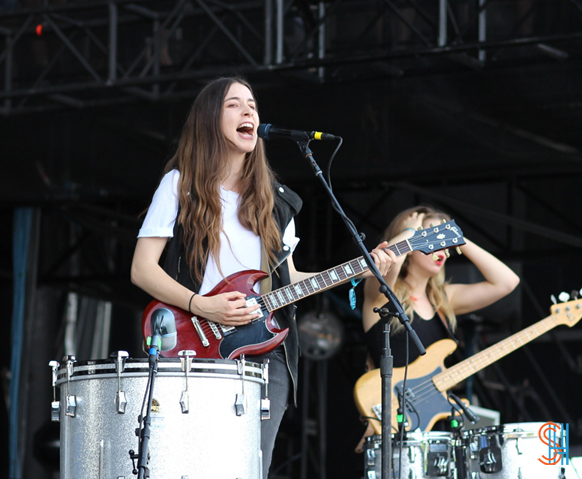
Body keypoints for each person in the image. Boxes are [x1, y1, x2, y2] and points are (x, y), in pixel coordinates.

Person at [130, 76, 396, 478]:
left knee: (249, 468)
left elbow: (288, 280)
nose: (249, 111)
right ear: (208, 120)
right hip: (193, 344)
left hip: (264, 354)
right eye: (234, 105)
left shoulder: (277, 201)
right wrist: (200, 304)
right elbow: (141, 268)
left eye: (252, 105)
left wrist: (362, 269)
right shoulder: (180, 184)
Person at [358, 205, 519, 443]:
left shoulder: (444, 299)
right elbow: (386, 264)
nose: (439, 246)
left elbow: (507, 282)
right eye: (430, 237)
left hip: (435, 425)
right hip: (393, 424)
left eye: (441, 239)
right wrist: (410, 234)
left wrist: (457, 236)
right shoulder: (380, 293)